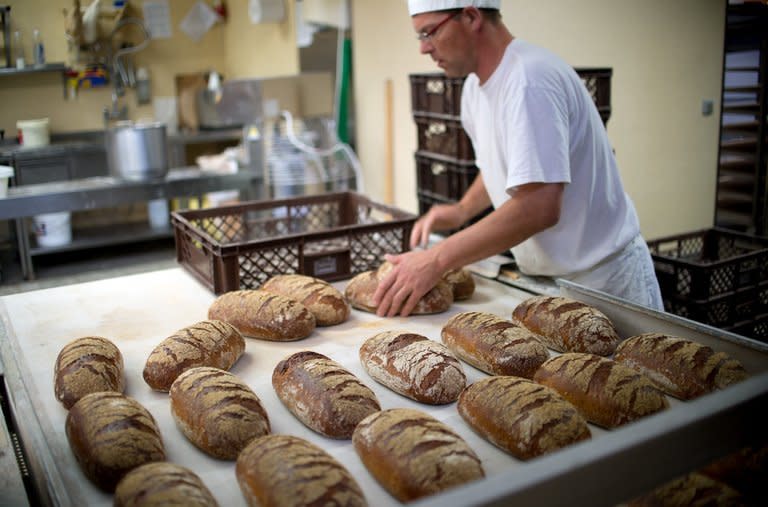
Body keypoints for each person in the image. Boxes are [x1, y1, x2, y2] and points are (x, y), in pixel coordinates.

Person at [373, 0, 663, 317]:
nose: (424, 49)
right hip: (552, 283)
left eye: (429, 32)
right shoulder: (473, 89)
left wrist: (438, 258)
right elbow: (508, 168)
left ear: (470, 16)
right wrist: (461, 210)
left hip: (604, 283)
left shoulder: (530, 80)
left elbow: (539, 205)